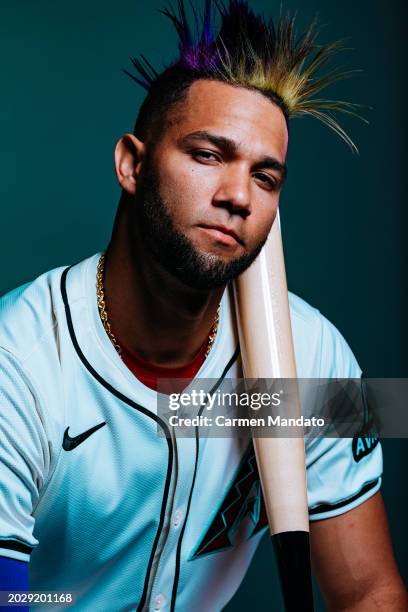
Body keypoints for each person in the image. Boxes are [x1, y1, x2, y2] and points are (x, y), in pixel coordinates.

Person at [0, 1, 406, 610]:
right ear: (132, 164)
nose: (239, 195)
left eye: (266, 177)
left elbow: (369, 591)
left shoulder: (314, 354)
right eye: (208, 155)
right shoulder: (20, 365)